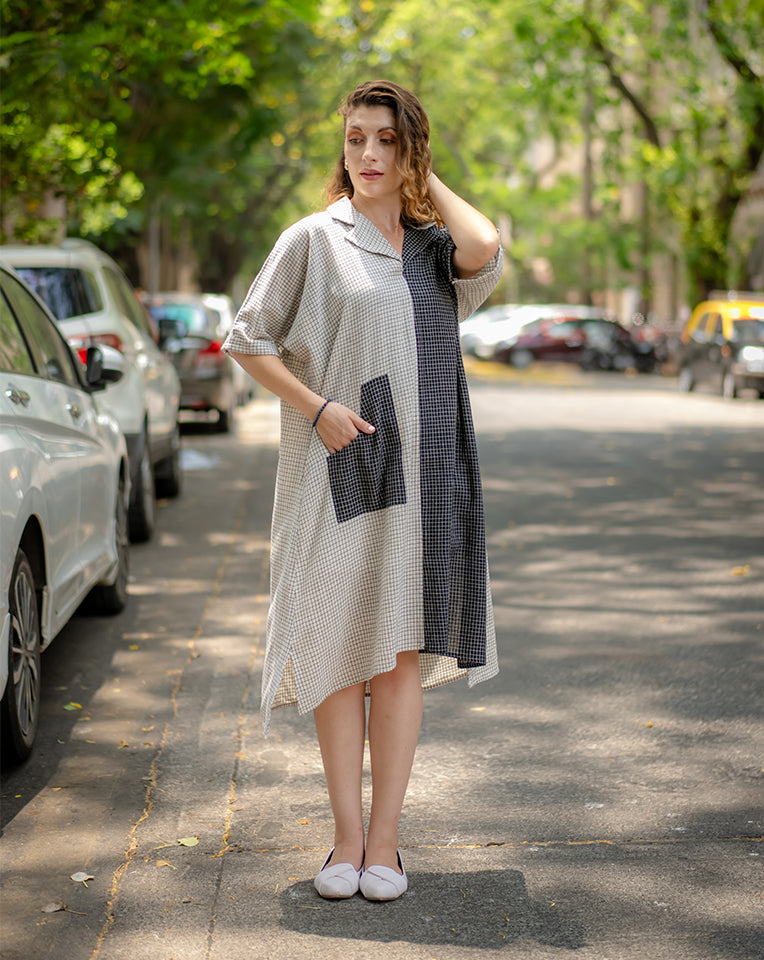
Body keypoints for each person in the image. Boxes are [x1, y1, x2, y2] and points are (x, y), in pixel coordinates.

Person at [223, 79, 502, 902]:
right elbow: (247, 337)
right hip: (343, 465)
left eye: (386, 140)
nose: (369, 154)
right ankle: (344, 840)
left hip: (423, 475)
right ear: (340, 149)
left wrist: (423, 172)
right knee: (340, 649)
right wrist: (316, 409)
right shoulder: (315, 238)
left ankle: (386, 844)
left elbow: (485, 243)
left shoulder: (432, 249)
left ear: (409, 151)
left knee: (400, 653)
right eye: (356, 139)